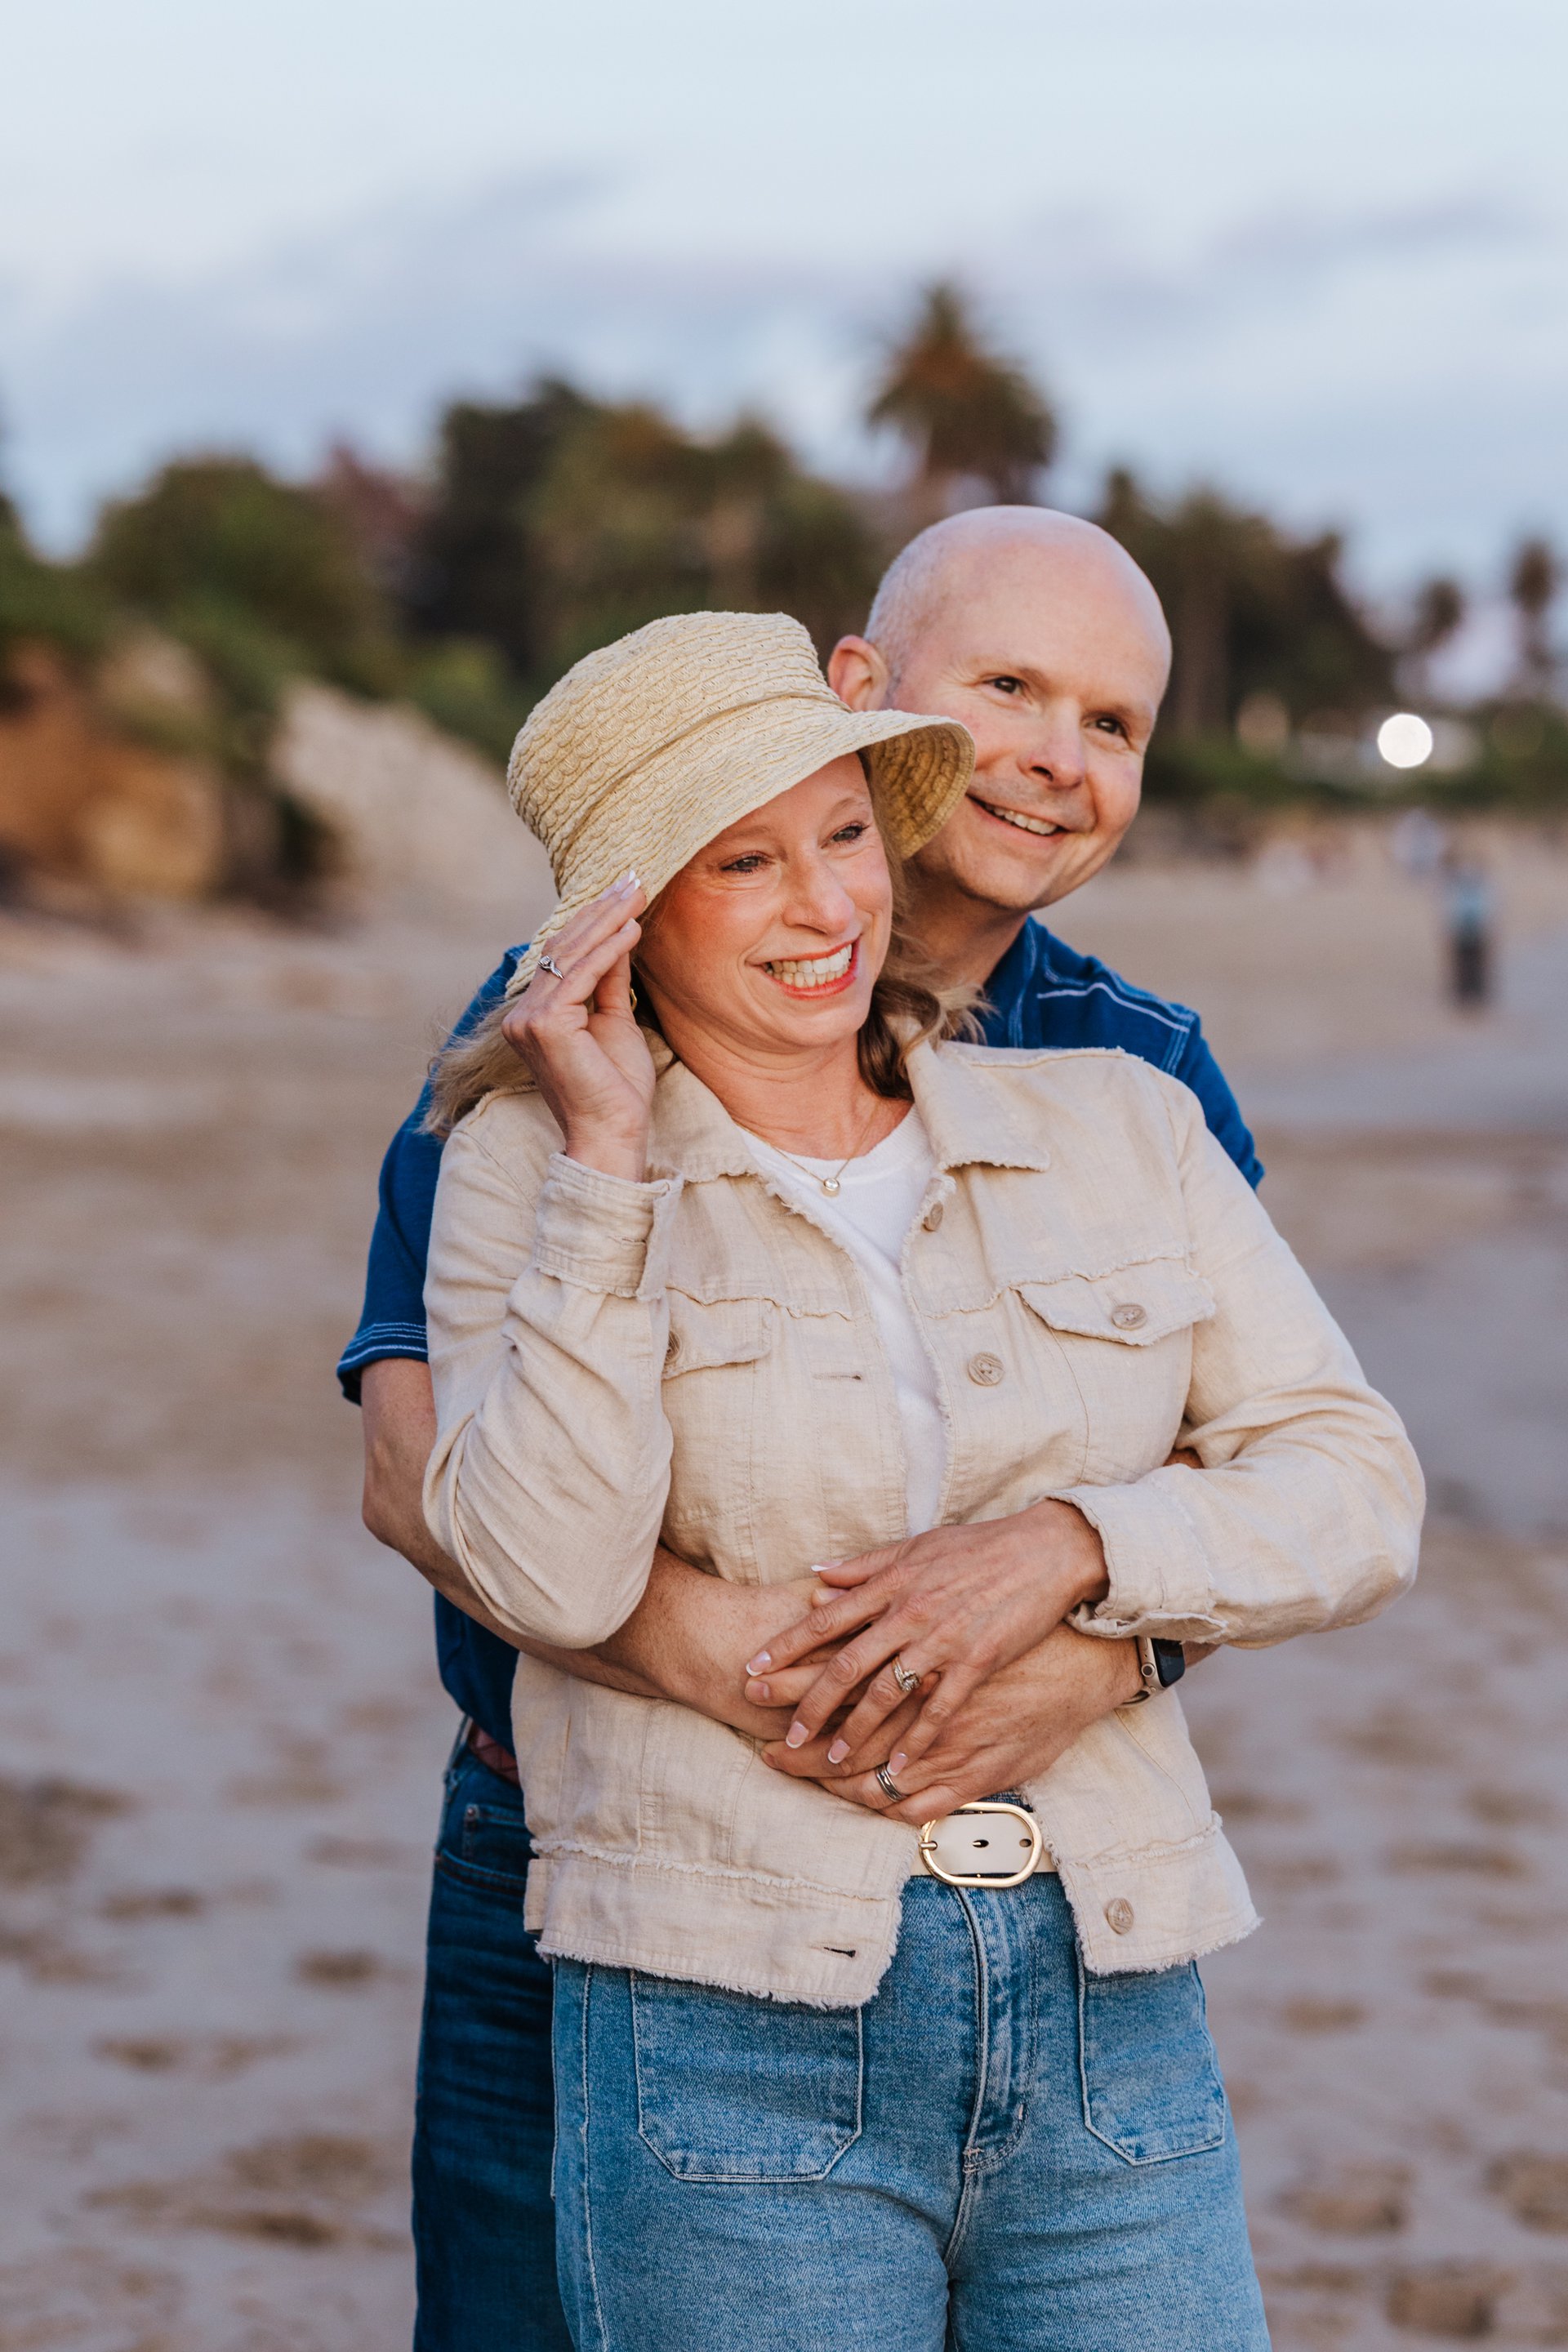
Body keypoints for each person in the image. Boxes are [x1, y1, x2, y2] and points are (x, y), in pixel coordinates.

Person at [420, 608, 1422, 2350]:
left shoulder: (1123, 1114)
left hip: (1115, 1992)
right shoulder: (529, 1167)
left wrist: (1071, 1548)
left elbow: (1356, 1483)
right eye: (745, 861)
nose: (827, 906)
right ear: (629, 921)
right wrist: (604, 1160)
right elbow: (547, 1578)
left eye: (845, 836)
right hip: (721, 2013)